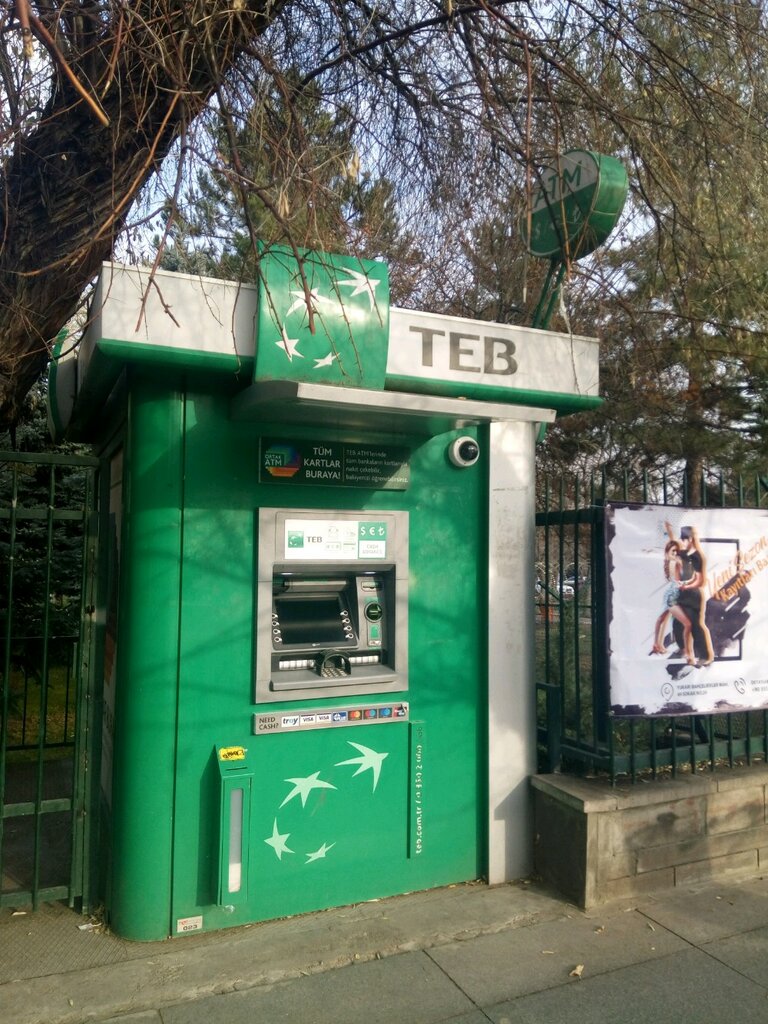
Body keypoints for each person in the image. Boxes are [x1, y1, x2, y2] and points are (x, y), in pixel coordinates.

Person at [665, 521, 714, 667]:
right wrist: (669, 530)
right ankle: (683, 649)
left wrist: (687, 586)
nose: (682, 542)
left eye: (684, 540)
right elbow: (673, 544)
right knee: (677, 624)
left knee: (695, 626)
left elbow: (700, 580)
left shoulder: (698, 557)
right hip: (682, 594)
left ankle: (705, 656)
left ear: (690, 539)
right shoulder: (683, 553)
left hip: (693, 596)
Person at [650, 538, 694, 664]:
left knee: (662, 618)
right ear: (668, 552)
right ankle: (687, 652)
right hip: (673, 596)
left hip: (671, 593)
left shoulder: (670, 562)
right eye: (673, 551)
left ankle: (656, 644)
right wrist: (690, 581)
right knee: (687, 623)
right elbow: (680, 581)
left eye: (676, 551)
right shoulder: (675, 562)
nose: (675, 553)